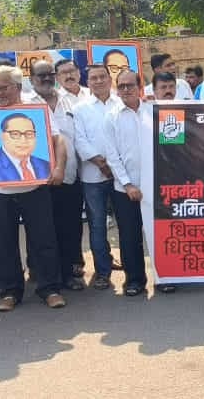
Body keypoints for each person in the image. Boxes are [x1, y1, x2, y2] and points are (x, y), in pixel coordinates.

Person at [0, 66, 67, 311]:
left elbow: (58, 139)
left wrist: (59, 168)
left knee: (44, 240)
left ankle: (49, 289)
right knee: (2, 242)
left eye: (3, 88)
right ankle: (10, 291)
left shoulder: (36, 106)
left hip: (35, 187)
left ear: (18, 87)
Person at [31, 61, 87, 293]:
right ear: (31, 78)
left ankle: (67, 274)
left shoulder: (71, 101)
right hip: (38, 179)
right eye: (40, 75)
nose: (46, 78)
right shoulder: (26, 103)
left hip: (70, 176)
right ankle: (44, 275)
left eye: (50, 74)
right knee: (42, 231)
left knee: (69, 228)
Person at [100, 71, 153, 297]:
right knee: (130, 236)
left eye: (130, 85)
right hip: (125, 189)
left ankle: (164, 278)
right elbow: (112, 156)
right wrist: (128, 184)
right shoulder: (111, 117)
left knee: (158, 233)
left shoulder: (153, 111)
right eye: (121, 86)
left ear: (140, 87)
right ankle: (134, 281)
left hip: (155, 185)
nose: (125, 90)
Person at [72, 64, 122, 291]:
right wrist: (101, 163)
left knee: (126, 223)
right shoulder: (80, 108)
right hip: (92, 176)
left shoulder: (121, 104)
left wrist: (114, 166)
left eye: (103, 77)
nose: (99, 81)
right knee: (98, 225)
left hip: (121, 175)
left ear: (110, 80)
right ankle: (103, 271)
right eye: (94, 78)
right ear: (88, 82)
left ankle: (132, 267)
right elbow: (79, 140)